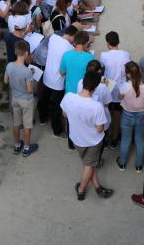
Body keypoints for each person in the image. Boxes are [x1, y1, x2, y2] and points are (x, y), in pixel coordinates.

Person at [60, 71, 114, 201]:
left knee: (89, 163)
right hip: (92, 141)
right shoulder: (97, 106)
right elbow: (100, 129)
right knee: (89, 165)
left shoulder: (68, 97)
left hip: (76, 139)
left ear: (83, 82)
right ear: (95, 88)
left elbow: (64, 114)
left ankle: (97, 186)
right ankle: (81, 190)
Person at [117, 62, 144, 172]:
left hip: (127, 115)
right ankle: (138, 165)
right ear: (140, 72)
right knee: (140, 140)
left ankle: (122, 163)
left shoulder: (125, 86)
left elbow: (120, 97)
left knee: (125, 140)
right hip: (142, 116)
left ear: (128, 75)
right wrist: (143, 105)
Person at [4, 41, 38, 157]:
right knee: (27, 125)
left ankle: (17, 145)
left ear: (15, 51)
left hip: (15, 98)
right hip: (27, 100)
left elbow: (5, 81)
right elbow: (29, 89)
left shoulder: (9, 66)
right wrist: (32, 79)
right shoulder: (27, 71)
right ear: (26, 53)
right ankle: (27, 148)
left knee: (16, 122)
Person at [42, 25, 77, 137]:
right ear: (71, 36)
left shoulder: (53, 38)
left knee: (44, 100)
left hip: (47, 76)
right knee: (56, 108)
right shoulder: (70, 49)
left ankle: (43, 118)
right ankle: (57, 130)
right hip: (58, 82)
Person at [77, 60, 112, 165]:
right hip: (99, 118)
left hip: (85, 115)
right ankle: (96, 161)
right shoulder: (102, 87)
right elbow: (107, 103)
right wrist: (107, 85)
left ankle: (87, 158)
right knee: (99, 140)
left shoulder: (80, 82)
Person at [100, 31, 131, 149]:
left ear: (108, 43)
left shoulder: (104, 55)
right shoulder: (126, 54)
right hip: (121, 88)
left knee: (107, 113)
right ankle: (115, 138)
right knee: (118, 115)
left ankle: (107, 136)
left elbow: (101, 67)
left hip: (108, 87)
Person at [60, 31, 94, 95]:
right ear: (86, 43)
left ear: (75, 42)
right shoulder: (90, 57)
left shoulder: (66, 54)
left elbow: (62, 73)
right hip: (82, 93)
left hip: (68, 93)